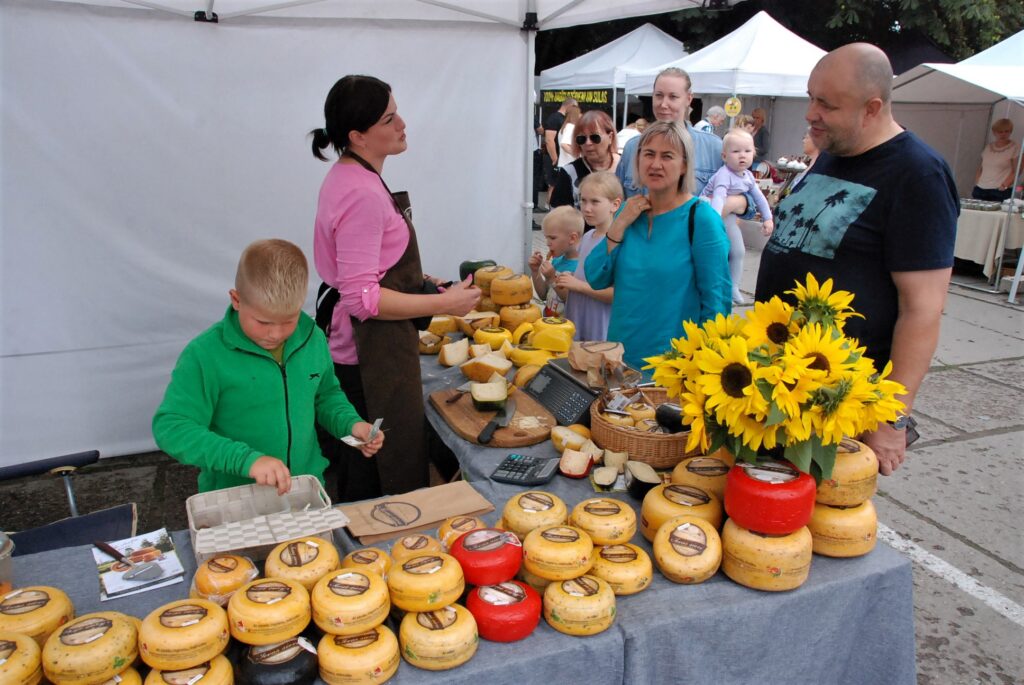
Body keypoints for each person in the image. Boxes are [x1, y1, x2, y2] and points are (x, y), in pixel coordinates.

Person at [754, 43, 958, 477]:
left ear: (872, 108)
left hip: (836, 410)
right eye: (811, 97)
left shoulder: (919, 174)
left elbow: (923, 309)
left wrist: (893, 418)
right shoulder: (833, 151)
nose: (811, 113)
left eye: (827, 104)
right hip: (777, 389)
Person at [310, 75, 481, 501]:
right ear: (358, 135)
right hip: (368, 360)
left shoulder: (350, 175)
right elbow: (361, 299)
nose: (402, 124)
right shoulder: (362, 194)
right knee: (380, 477)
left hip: (368, 350)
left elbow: (370, 268)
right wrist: (444, 303)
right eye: (389, 119)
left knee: (372, 467)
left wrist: (421, 285)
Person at [153, 239, 384, 495]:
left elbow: (325, 396)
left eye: (289, 321)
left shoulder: (313, 338)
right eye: (263, 322)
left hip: (305, 488)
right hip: (236, 497)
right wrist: (246, 460)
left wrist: (351, 425)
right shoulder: (205, 354)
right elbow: (172, 425)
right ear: (236, 299)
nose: (275, 334)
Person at [586, 121, 732, 371]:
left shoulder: (701, 219)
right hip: (619, 359)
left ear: (684, 164)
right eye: (649, 154)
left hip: (672, 368)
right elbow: (596, 277)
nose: (655, 164)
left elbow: (717, 303)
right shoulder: (629, 212)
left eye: (667, 156)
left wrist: (704, 367)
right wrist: (619, 224)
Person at [617, 68, 754, 226]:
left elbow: (750, 201)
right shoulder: (632, 148)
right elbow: (616, 201)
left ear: (688, 99)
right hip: (644, 238)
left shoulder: (714, 148)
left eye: (673, 97)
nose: (663, 104)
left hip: (695, 239)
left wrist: (730, 203)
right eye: (659, 95)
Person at [702, 129, 774, 305]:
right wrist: (714, 221)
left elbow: (759, 198)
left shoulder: (748, 176)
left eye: (747, 151)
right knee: (719, 252)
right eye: (736, 151)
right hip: (710, 212)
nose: (742, 155)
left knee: (739, 251)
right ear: (724, 156)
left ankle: (733, 286)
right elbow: (719, 198)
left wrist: (768, 218)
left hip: (728, 217)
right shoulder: (724, 174)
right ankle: (717, 287)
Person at [558, 171, 621, 340]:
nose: (586, 208)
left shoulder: (617, 243)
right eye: (583, 200)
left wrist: (578, 285)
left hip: (599, 324)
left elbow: (617, 294)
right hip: (578, 318)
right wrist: (571, 277)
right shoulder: (587, 236)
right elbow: (588, 276)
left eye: (595, 202)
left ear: (615, 205)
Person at [550, 110, 620, 211]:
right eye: (581, 139)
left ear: (610, 137)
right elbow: (557, 215)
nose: (588, 143)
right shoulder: (569, 172)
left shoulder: (627, 166)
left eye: (595, 137)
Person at [529, 206, 582, 316]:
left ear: (572, 238)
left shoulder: (581, 267)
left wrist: (552, 278)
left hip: (566, 325)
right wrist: (535, 271)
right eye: (546, 238)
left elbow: (571, 300)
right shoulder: (557, 261)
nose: (547, 243)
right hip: (548, 321)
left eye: (552, 238)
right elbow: (543, 295)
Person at [972, 118, 1020, 201]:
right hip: (980, 188)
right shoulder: (988, 147)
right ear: (994, 132)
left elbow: (1017, 170)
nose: (1003, 134)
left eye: (1006, 131)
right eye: (1000, 132)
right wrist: (977, 182)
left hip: (999, 190)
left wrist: (1005, 185)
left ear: (1010, 132)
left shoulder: (1015, 147)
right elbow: (981, 167)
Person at [543, 98, 578, 207]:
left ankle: (551, 207)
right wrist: (554, 158)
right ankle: (551, 207)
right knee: (554, 186)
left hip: (561, 160)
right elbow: (549, 140)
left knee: (556, 186)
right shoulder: (556, 119)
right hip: (557, 159)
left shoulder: (564, 124)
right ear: (570, 106)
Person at [557, 103, 581, 167]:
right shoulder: (570, 127)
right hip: (569, 165)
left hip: (564, 164)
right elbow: (564, 144)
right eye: (579, 113)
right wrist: (577, 155)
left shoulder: (563, 128)